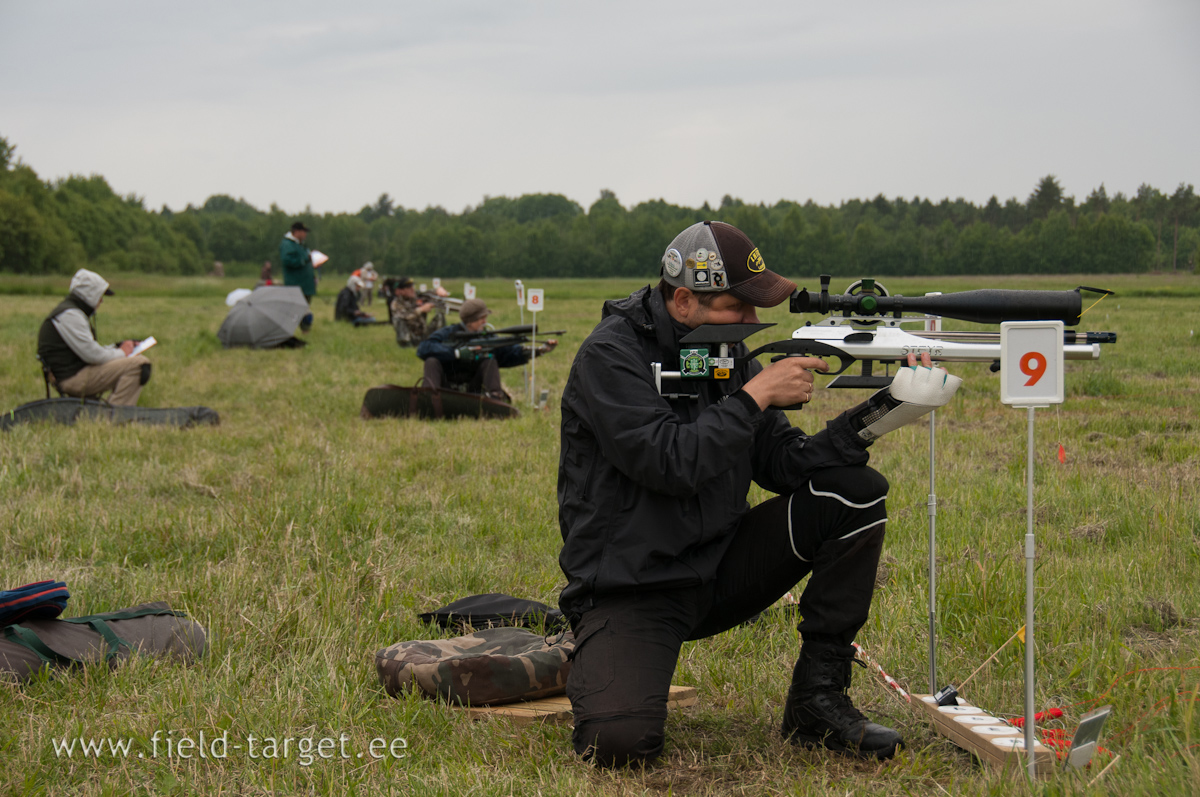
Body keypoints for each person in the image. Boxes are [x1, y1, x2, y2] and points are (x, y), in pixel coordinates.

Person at [556, 220, 962, 767]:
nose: (751, 321)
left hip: (721, 567)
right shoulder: (610, 355)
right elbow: (667, 462)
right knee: (619, 746)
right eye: (737, 306)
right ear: (683, 300)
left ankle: (817, 701)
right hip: (632, 587)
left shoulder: (727, 353)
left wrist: (880, 412)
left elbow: (784, 463)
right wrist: (754, 397)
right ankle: (593, 654)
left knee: (854, 492)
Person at [37, 269, 153, 406]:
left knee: (137, 363)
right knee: (140, 365)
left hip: (73, 373)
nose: (101, 300)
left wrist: (118, 346)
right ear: (90, 295)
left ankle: (108, 412)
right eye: (100, 295)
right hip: (73, 379)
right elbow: (93, 356)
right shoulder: (70, 315)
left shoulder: (70, 312)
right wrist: (123, 352)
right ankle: (115, 415)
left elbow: (90, 350)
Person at [416, 298, 556, 401]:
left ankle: (495, 398)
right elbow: (423, 348)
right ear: (470, 320)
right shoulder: (448, 333)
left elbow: (508, 352)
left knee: (489, 359)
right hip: (445, 386)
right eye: (481, 318)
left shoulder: (487, 338)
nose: (485, 322)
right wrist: (456, 353)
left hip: (474, 388)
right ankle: (428, 398)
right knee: (431, 361)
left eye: (485, 318)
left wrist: (540, 350)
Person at [389, 277, 449, 347]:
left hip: (423, 334)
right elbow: (405, 316)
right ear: (401, 291)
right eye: (408, 287)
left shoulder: (417, 296)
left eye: (412, 286)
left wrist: (438, 290)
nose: (412, 289)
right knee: (398, 320)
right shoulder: (396, 303)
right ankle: (406, 344)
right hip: (410, 335)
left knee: (440, 316)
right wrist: (421, 309)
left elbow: (428, 294)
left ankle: (439, 341)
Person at [279, 221, 315, 331]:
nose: (305, 234)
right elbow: (287, 261)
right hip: (296, 284)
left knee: (303, 310)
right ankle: (289, 330)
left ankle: (304, 330)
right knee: (297, 312)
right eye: (304, 232)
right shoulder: (287, 244)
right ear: (296, 232)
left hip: (306, 284)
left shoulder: (302, 245)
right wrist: (305, 259)